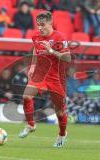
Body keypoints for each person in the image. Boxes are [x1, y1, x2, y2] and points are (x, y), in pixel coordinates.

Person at [18, 11, 71, 148]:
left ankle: (62, 133)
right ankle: (31, 125)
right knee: (26, 96)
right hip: (40, 74)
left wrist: (52, 51)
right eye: (38, 25)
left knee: (59, 111)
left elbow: (68, 58)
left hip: (56, 77)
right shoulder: (35, 36)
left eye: (42, 25)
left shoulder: (59, 37)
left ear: (50, 23)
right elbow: (36, 50)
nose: (40, 28)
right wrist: (33, 66)